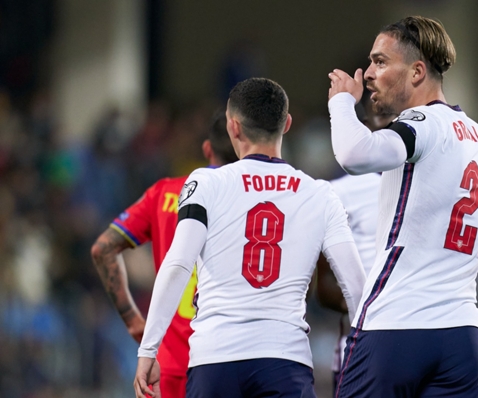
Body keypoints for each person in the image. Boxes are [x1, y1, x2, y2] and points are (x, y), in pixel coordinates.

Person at [133, 77, 367, 398]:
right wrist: (364, 357)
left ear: (233, 127)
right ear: (286, 124)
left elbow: (177, 264)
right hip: (285, 359)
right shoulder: (320, 194)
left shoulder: (204, 184)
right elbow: (355, 286)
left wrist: (149, 349)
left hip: (215, 360)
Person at [327, 16, 478, 397]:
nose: (369, 73)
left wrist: (341, 101)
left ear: (418, 71)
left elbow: (355, 154)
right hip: (462, 338)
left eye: (381, 62)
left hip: (397, 328)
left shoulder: (421, 122)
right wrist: (474, 319)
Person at [90, 111, 238, 398]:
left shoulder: (164, 193)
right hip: (226, 365)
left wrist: (135, 322)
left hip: (166, 368)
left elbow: (102, 249)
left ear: (207, 149)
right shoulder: (255, 201)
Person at [316, 89, 396, 394]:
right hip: (360, 347)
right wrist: (368, 301)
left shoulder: (430, 182)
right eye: (386, 117)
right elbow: (323, 286)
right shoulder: (339, 191)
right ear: (365, 124)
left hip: (421, 341)